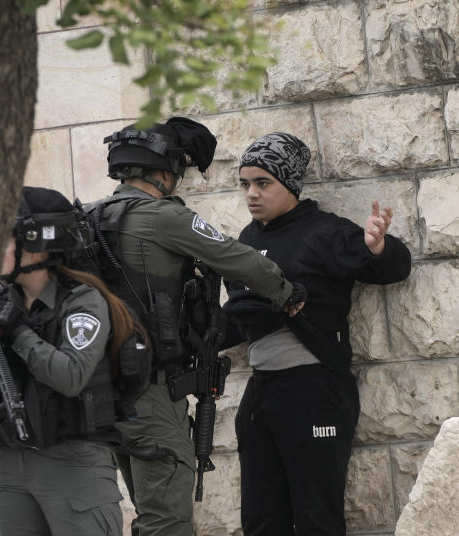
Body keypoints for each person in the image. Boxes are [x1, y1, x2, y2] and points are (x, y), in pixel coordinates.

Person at [84, 117, 305, 536]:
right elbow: (238, 258)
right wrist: (288, 292)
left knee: (144, 510)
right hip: (151, 391)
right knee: (166, 521)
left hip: (99, 394)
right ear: (165, 171)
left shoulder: (88, 217)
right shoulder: (163, 217)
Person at [225, 132, 412, 536]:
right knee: (260, 520)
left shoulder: (324, 231)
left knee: (316, 518)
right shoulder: (247, 239)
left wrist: (379, 247)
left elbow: (393, 268)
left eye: (263, 183)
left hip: (313, 391)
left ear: (290, 184)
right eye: (245, 184)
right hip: (260, 394)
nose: (251, 194)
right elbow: (237, 318)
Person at [0, 186, 141, 536]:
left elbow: (71, 376)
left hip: (72, 464)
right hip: (11, 463)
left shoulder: (84, 303)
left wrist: (18, 331)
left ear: (35, 244)